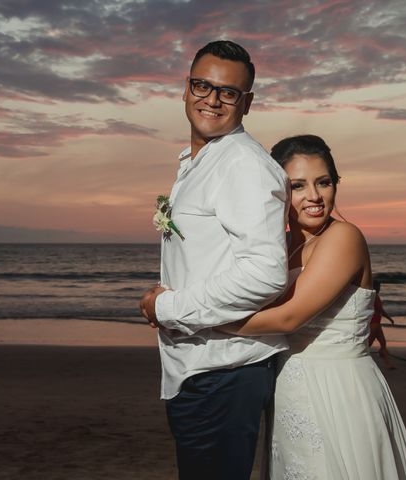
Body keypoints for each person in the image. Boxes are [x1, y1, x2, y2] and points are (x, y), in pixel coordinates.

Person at [218, 135, 406, 479]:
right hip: (288, 390)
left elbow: (289, 317)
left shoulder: (344, 237)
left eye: (323, 182)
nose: (314, 196)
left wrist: (202, 322)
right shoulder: (279, 247)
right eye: (297, 185)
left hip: (339, 390)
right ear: (277, 191)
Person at [139, 40, 290, 480]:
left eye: (228, 92)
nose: (212, 99)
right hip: (200, 371)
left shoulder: (243, 164)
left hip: (224, 373)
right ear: (185, 88)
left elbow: (265, 273)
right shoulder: (198, 162)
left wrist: (168, 308)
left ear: (247, 103)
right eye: (202, 85)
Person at [369, 279, 396, 369]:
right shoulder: (374, 296)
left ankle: (387, 364)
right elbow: (380, 310)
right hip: (374, 323)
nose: (379, 288)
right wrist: (389, 318)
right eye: (378, 286)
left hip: (376, 323)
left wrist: (389, 319)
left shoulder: (372, 296)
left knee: (383, 344)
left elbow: (380, 310)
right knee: (368, 344)